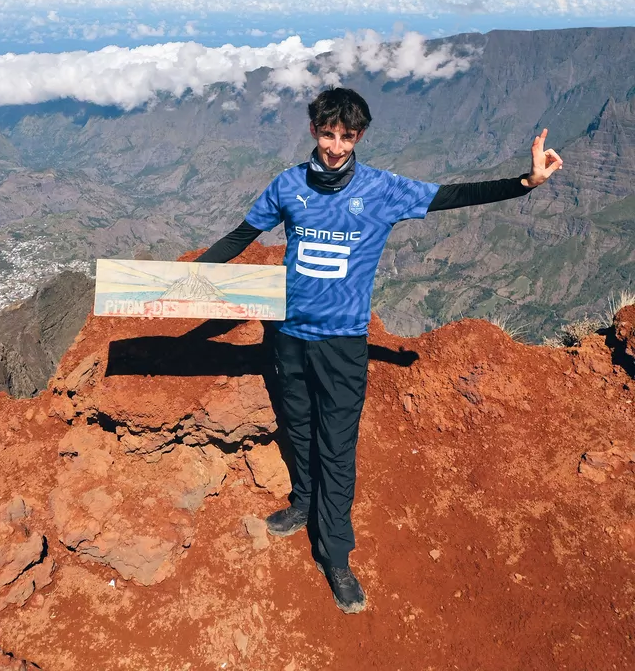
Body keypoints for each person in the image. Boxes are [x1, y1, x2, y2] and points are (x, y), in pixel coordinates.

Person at [197, 87, 563, 614]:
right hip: (287, 336)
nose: (335, 147)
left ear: (360, 136)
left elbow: (451, 196)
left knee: (337, 447)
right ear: (313, 131)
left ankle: (337, 554)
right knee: (296, 425)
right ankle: (302, 502)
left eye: (346, 136)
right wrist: (178, 281)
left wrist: (525, 184)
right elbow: (241, 235)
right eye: (327, 134)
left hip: (344, 344)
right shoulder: (287, 186)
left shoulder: (382, 190)